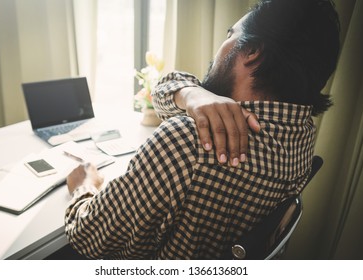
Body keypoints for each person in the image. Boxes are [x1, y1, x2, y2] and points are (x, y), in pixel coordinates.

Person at [65, 0, 340, 259]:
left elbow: (90, 238)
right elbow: (164, 94)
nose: (220, 48)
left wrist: (86, 186)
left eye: (229, 35)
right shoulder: (300, 133)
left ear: (253, 52)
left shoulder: (187, 142)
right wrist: (190, 94)